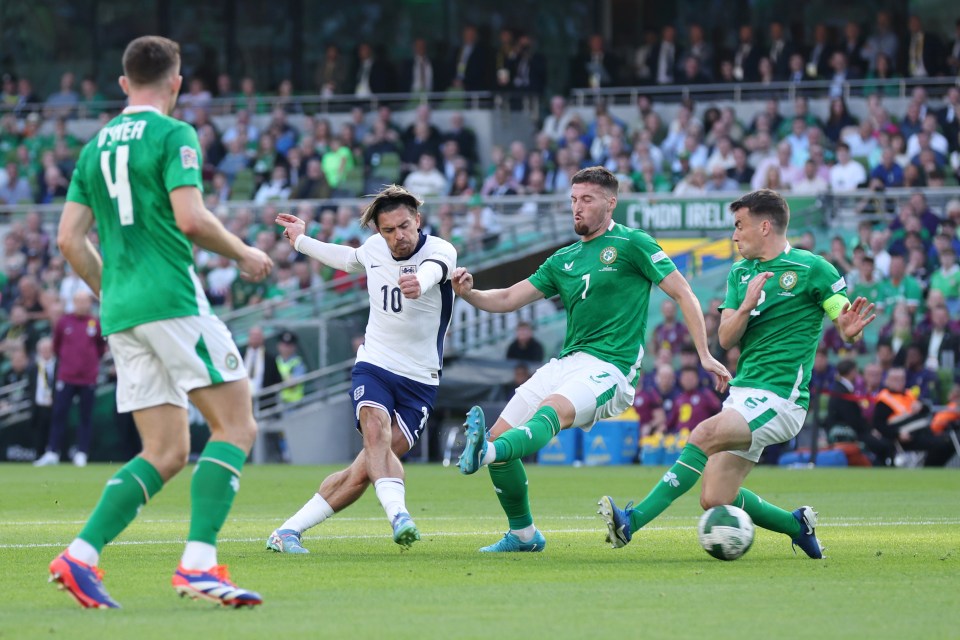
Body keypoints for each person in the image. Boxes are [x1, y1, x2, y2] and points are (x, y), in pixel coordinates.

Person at [50, 36, 273, 609]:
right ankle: (198, 566)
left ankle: (80, 555)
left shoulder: (93, 147)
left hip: (122, 313)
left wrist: (111, 291)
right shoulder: (174, 134)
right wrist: (244, 252)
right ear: (176, 83)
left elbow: (68, 239)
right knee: (236, 426)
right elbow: (191, 218)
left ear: (124, 83)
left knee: (167, 451)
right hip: (172, 302)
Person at [454, 166, 729, 552]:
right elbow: (507, 299)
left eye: (586, 199)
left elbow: (684, 293)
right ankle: (524, 534)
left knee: (550, 411)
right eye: (573, 200)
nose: (577, 208)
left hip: (610, 369)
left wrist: (704, 353)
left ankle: (484, 452)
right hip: (567, 362)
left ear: (610, 202)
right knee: (503, 437)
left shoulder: (633, 243)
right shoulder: (562, 259)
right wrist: (470, 293)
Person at [598, 189, 876, 559]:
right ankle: (798, 525)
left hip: (781, 399)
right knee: (715, 498)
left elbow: (841, 314)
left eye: (739, 226)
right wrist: (745, 307)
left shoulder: (813, 269)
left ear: (765, 226)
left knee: (703, 433)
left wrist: (847, 325)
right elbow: (727, 338)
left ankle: (630, 522)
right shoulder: (741, 273)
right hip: (743, 394)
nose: (734, 235)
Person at [266, 184, 457, 553]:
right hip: (376, 364)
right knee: (375, 432)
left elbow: (435, 270)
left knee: (366, 469)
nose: (398, 236)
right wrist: (302, 240)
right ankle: (399, 516)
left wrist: (420, 280)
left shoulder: (440, 250)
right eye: (388, 230)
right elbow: (346, 257)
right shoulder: (373, 250)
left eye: (404, 226)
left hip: (421, 380)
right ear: (378, 232)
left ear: (418, 220)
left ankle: (286, 531)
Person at [34, 291, 106, 468]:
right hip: (66, 377)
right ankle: (52, 452)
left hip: (88, 378)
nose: (82, 304)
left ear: (89, 303)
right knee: (59, 415)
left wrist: (88, 365)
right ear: (73, 302)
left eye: (85, 301)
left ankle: (82, 452)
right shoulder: (64, 322)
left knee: (85, 417)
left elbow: (100, 348)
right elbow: (57, 347)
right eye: (78, 301)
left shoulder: (94, 323)